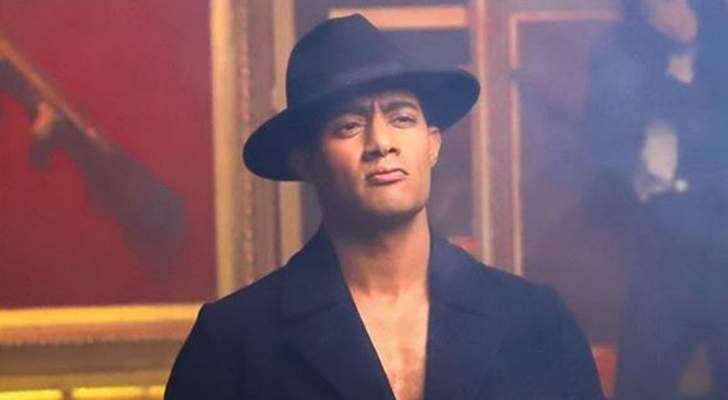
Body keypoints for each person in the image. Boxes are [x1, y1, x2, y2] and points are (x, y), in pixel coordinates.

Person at [165, 14, 604, 400]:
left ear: (432, 144)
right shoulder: (233, 341)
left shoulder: (537, 321)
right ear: (306, 162)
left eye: (402, 118)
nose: (381, 143)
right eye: (349, 125)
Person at [586, 0, 728, 398]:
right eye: (652, 5)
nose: (663, 10)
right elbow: (600, 149)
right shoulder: (619, 55)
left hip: (722, 231)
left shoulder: (720, 47)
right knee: (642, 379)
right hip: (660, 236)